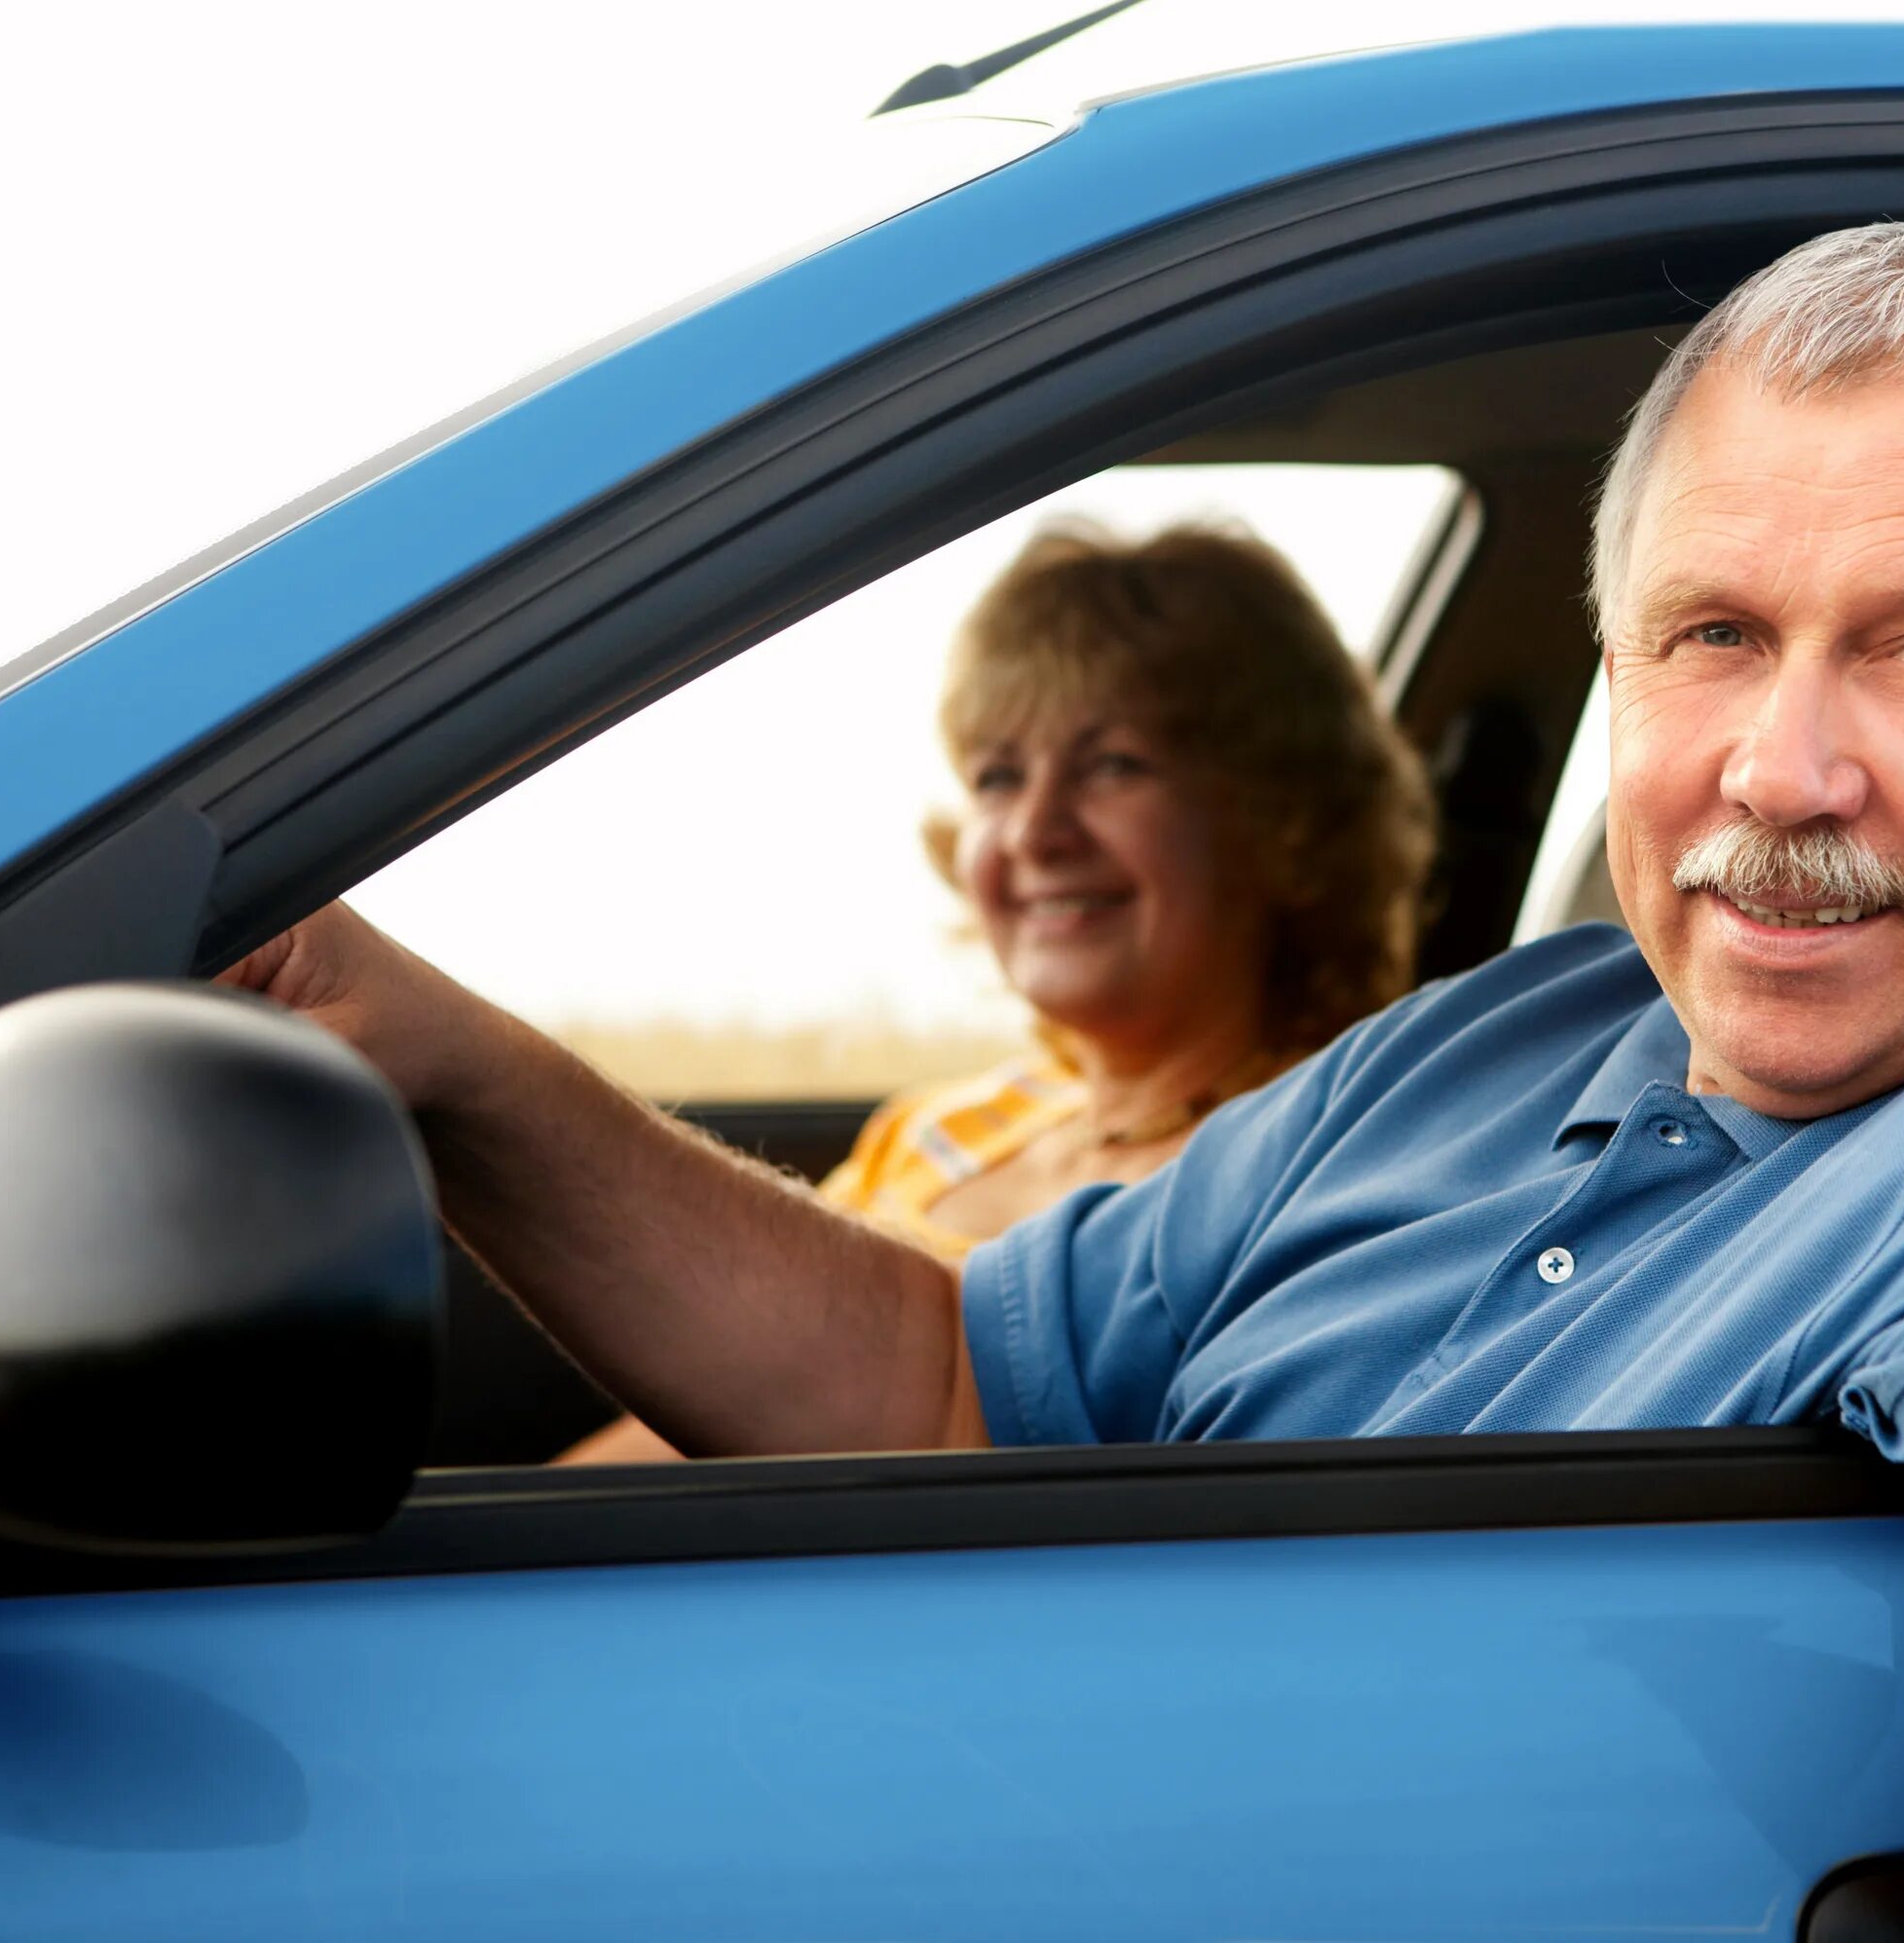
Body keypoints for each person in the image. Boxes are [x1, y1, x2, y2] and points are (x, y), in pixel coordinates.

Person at [230, 12, 1904, 1902]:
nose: (1780, 768)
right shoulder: (1511, 1033)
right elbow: (949, 1392)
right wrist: (434, 1051)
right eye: (1707, 638)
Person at [559, 521, 1435, 1462]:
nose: (1035, 832)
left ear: (1278, 816)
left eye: (1113, 765)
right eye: (999, 777)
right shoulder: (941, 1128)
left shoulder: (1337, 1164)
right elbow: (700, 1419)